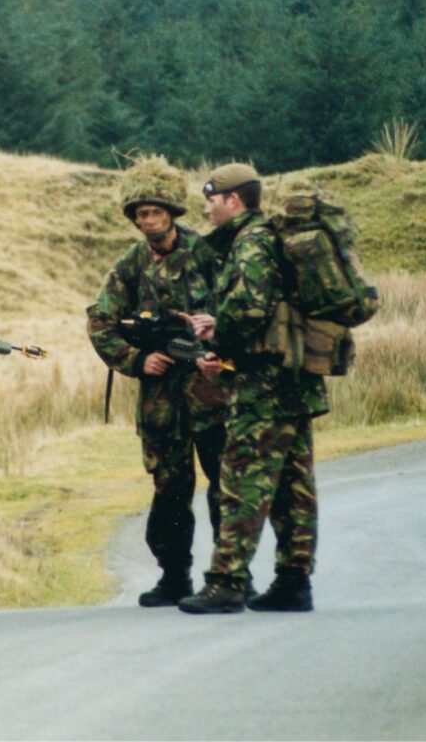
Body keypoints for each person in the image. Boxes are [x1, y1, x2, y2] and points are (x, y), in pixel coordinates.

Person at [178, 163, 328, 615]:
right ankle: (293, 580)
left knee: (242, 481)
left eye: (211, 200)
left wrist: (215, 334)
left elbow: (250, 305)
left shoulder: (252, 242)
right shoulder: (270, 239)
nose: (205, 209)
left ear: (233, 201)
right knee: (292, 485)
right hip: (294, 382)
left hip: (263, 388)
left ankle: (226, 581)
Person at [87, 156, 229, 608]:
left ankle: (227, 575)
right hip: (161, 402)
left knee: (224, 485)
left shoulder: (206, 255)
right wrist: (136, 359)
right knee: (169, 491)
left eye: (155, 212)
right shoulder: (129, 266)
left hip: (211, 394)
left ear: (171, 212)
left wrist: (219, 344)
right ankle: (174, 575)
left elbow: (245, 310)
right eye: (140, 214)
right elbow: (99, 323)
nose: (148, 221)